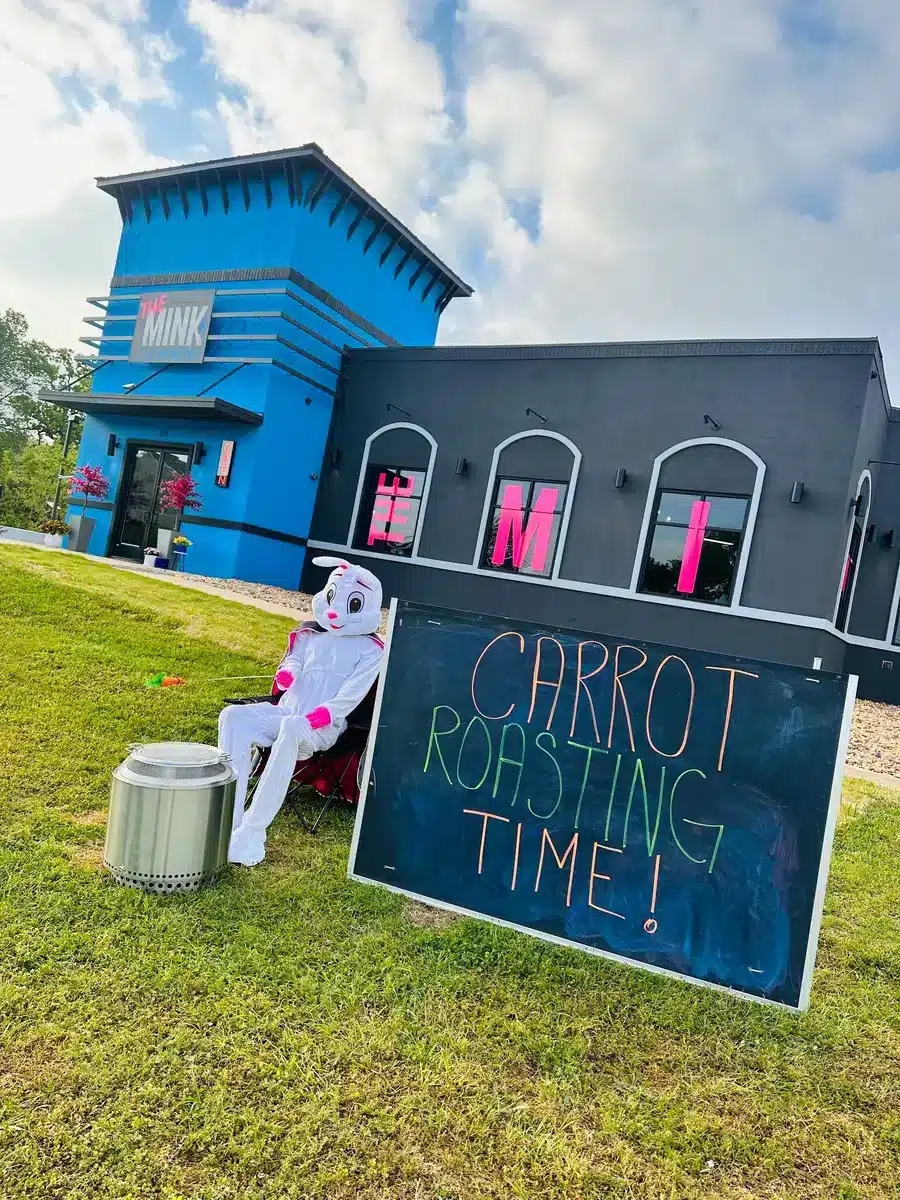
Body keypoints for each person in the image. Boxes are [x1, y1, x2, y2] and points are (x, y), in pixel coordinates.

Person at [219, 556, 384, 866]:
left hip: (321, 729)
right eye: (333, 597)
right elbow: (294, 661)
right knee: (233, 718)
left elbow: (350, 697)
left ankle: (252, 831)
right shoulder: (310, 634)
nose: (335, 611)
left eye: (351, 604)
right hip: (286, 712)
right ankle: (229, 814)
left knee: (292, 727)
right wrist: (288, 672)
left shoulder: (370, 650)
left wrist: (320, 716)